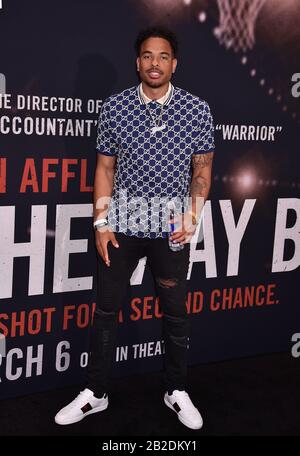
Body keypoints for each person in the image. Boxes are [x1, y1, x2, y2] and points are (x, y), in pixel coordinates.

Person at [55, 26, 215, 430]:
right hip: (121, 227)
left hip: (170, 230)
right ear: (137, 62)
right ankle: (96, 393)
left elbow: (203, 169)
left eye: (162, 56)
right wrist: (100, 222)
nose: (154, 63)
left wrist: (192, 213)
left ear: (174, 63)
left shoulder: (197, 110)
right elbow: (105, 168)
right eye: (147, 56)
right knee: (106, 311)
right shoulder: (115, 107)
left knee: (176, 314)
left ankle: (175, 389)